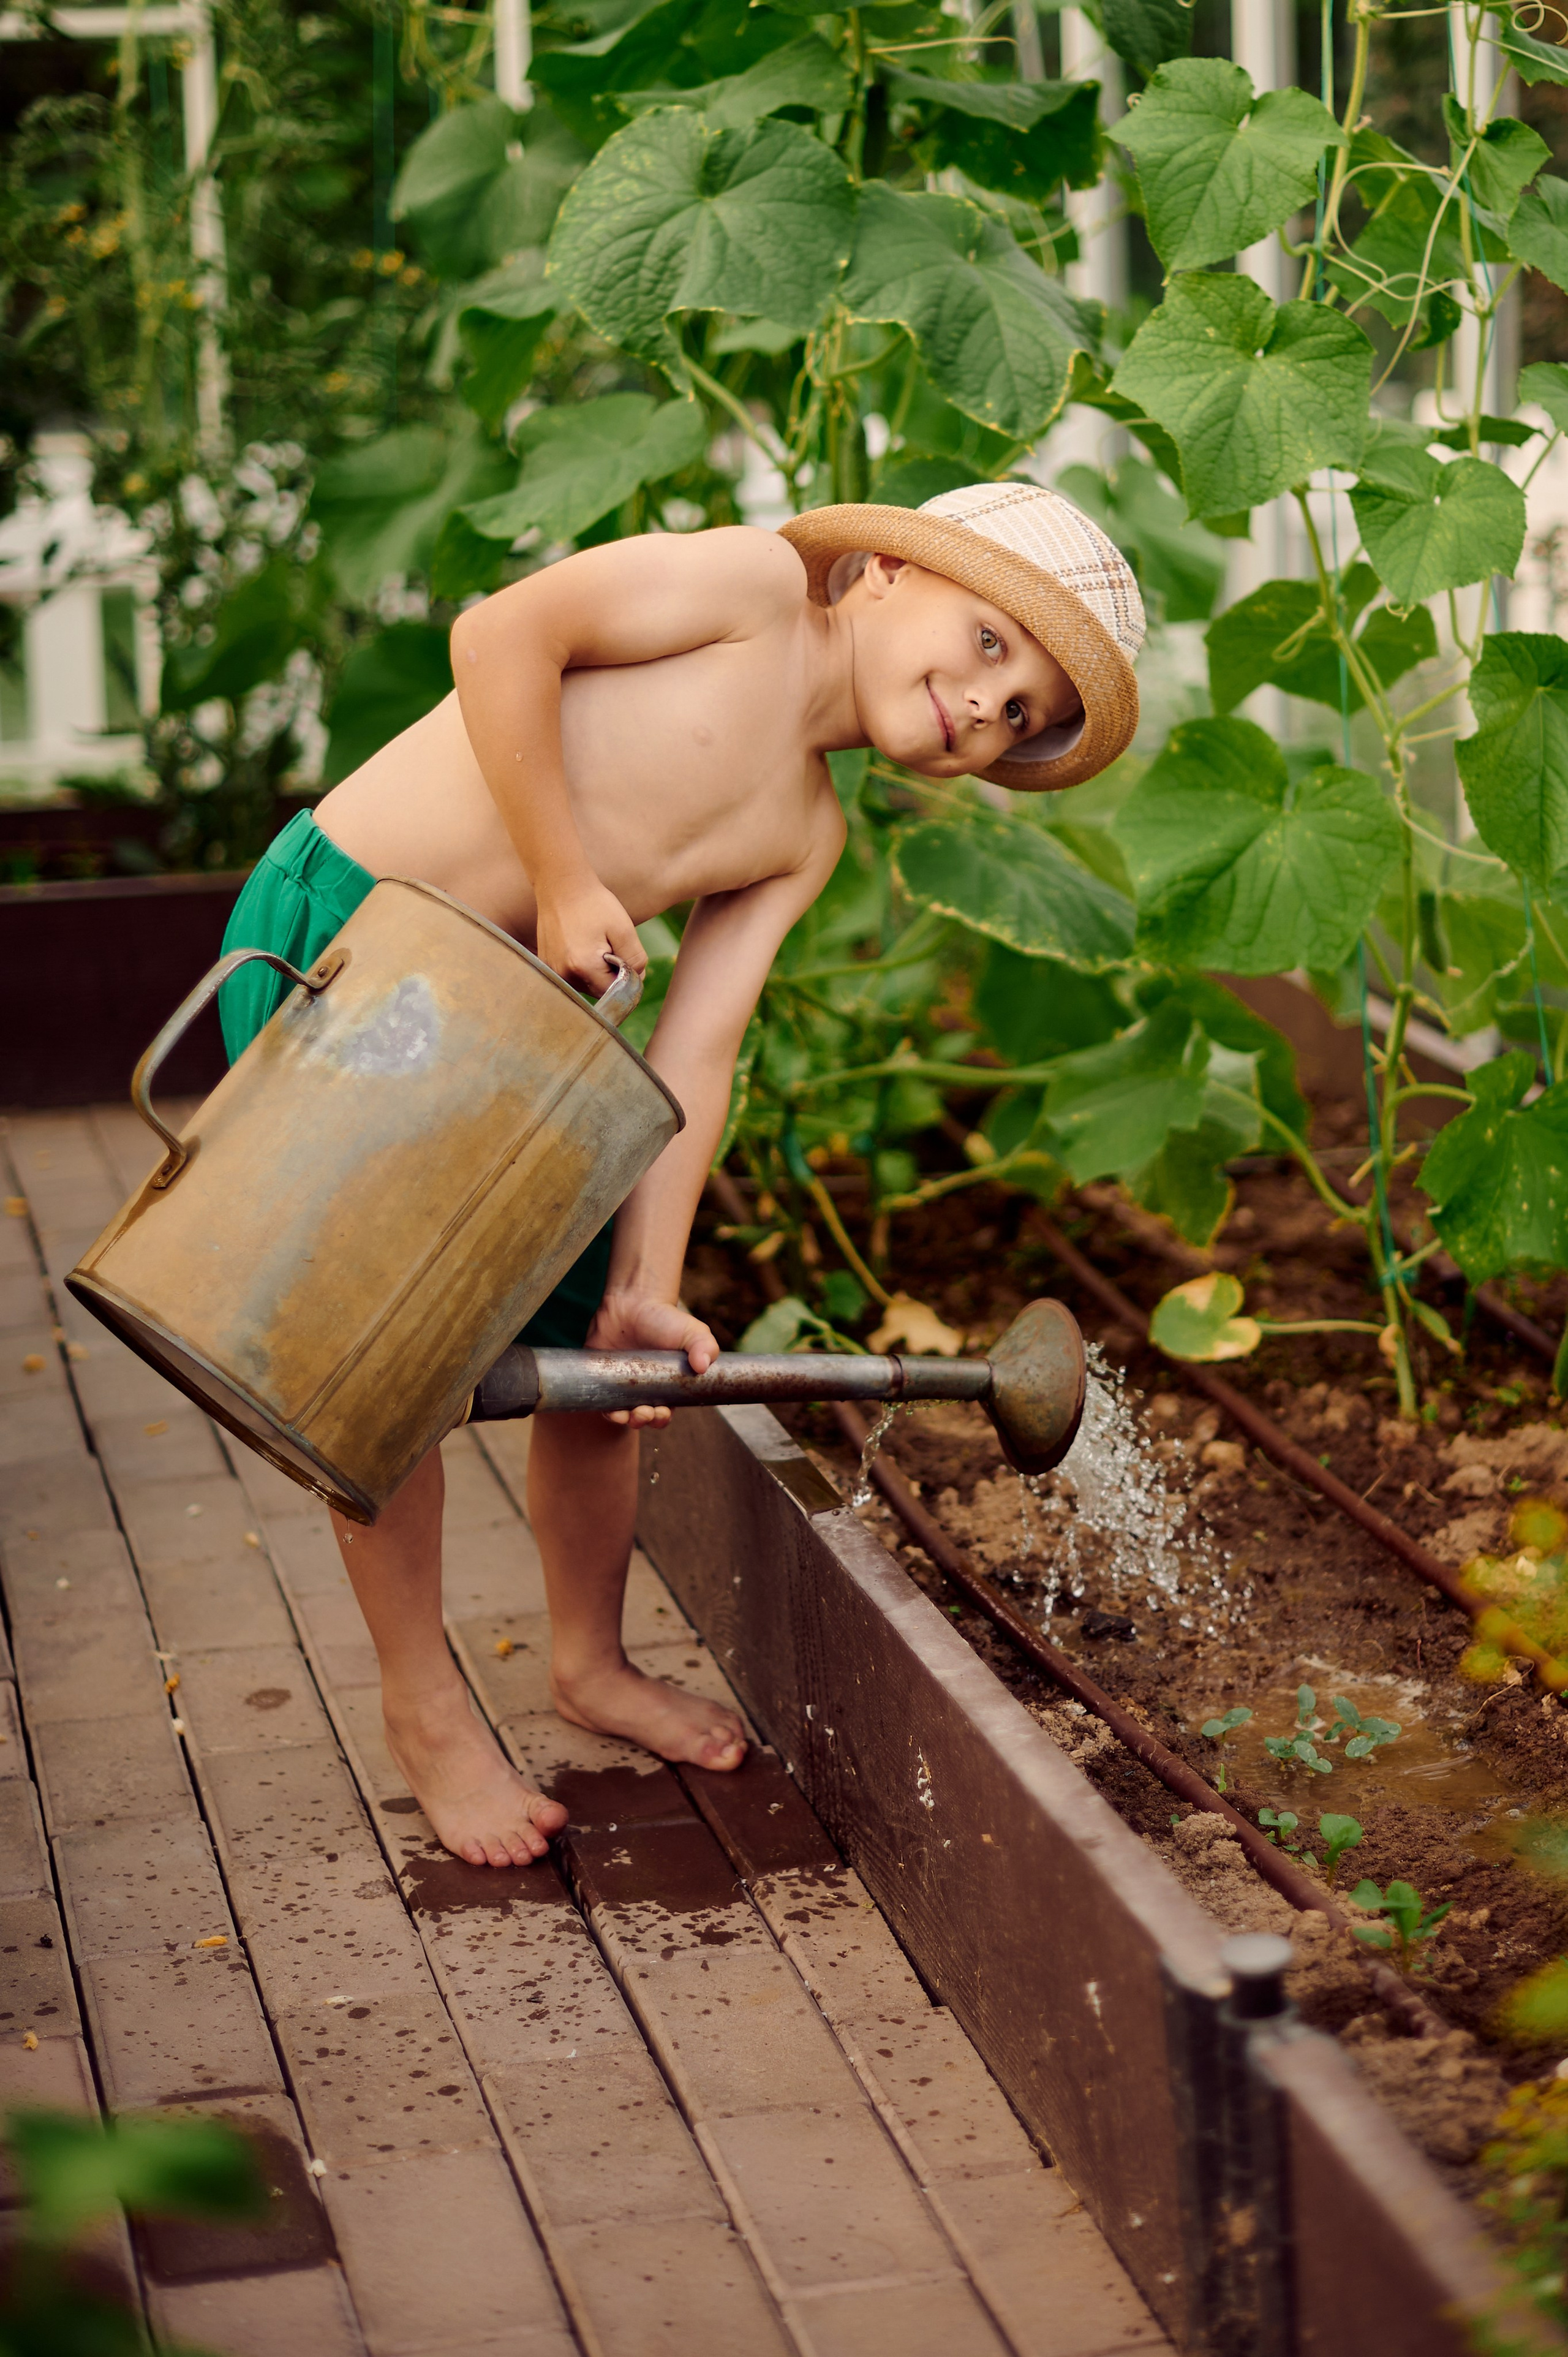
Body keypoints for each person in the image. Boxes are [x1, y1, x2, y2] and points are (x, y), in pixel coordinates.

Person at [218, 481, 1144, 1867]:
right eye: (993, 647)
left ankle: (586, 1661)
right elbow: (499, 637)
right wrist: (561, 871)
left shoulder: (805, 833)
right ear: (886, 572)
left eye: (1020, 718)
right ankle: (422, 1709)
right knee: (384, 1354)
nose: (986, 709)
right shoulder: (749, 590)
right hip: (344, 941)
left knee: (606, 1365)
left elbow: (696, 1051)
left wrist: (647, 1286)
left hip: (511, 1037)